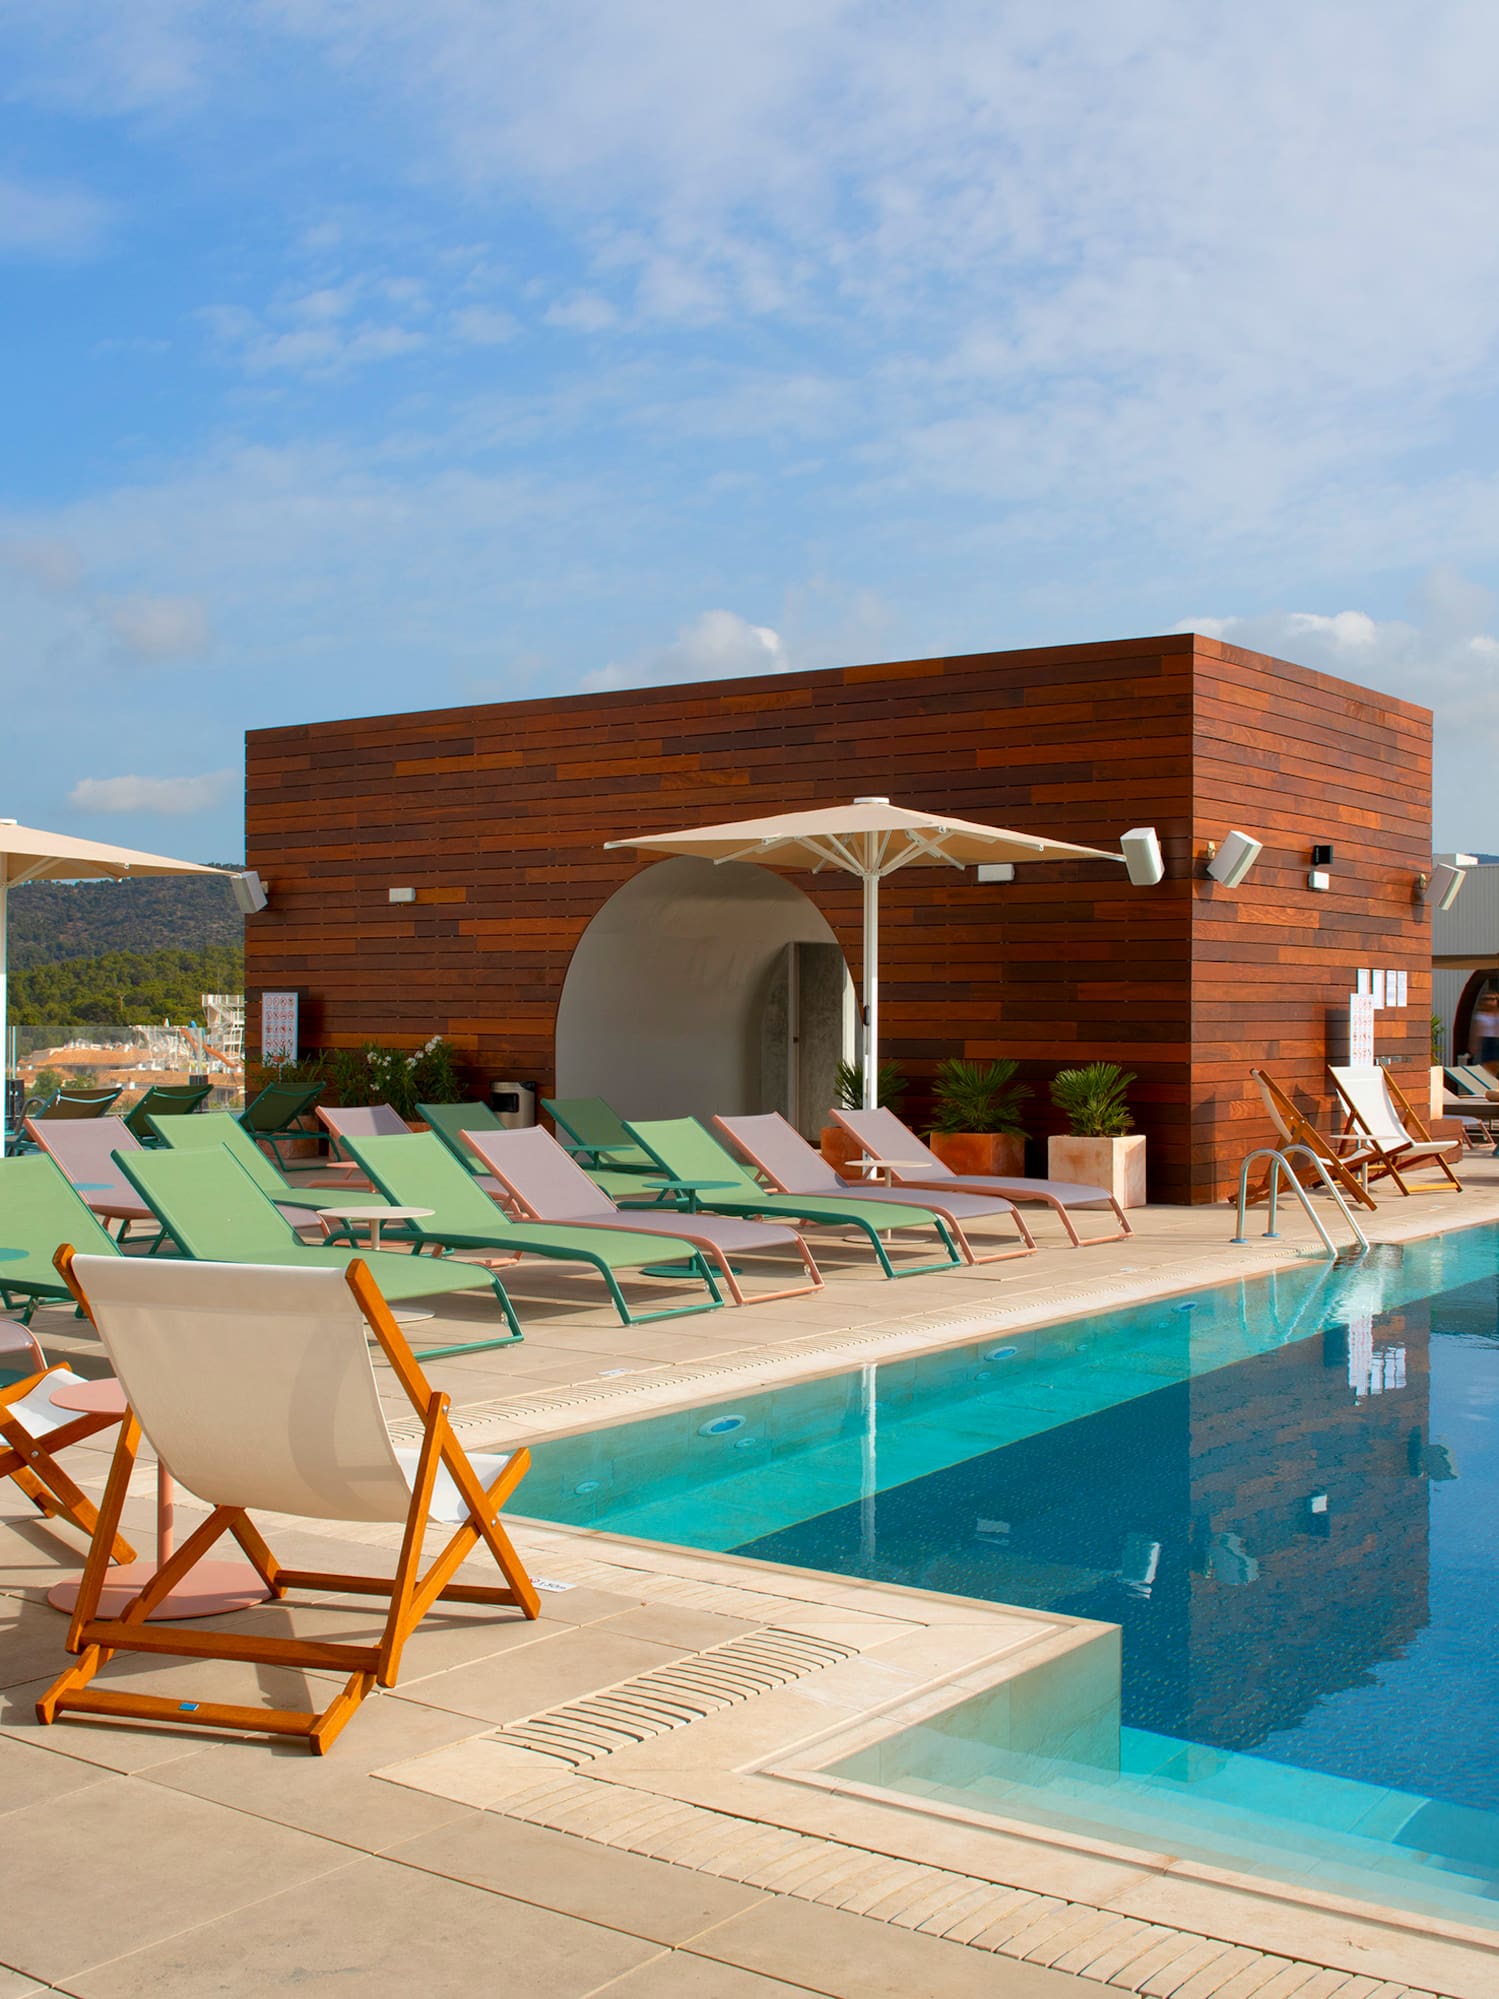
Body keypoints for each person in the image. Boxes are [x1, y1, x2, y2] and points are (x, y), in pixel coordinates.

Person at [1470, 988, 1499, 1068]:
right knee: (1487, 1065)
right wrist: (1474, 1045)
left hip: (1497, 1040)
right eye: (1487, 999)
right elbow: (1475, 1031)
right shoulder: (1480, 1015)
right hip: (1486, 1041)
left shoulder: (1497, 1014)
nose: (1490, 1001)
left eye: (1493, 999)